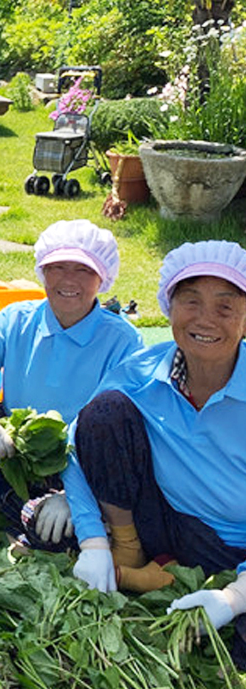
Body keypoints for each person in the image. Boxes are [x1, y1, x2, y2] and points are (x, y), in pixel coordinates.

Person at [0, 219, 143, 544]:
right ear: (42, 272)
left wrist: (74, 495)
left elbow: (117, 433)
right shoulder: (16, 319)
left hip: (79, 462)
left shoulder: (123, 341)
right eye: (57, 267)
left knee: (56, 530)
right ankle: (14, 510)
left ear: (103, 279)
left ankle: (21, 514)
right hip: (11, 446)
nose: (69, 280)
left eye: (84, 271)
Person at [70, 241, 246, 614]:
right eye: (191, 301)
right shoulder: (143, 370)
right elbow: (76, 438)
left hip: (235, 545)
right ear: (169, 308)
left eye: (225, 306)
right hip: (162, 517)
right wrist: (93, 540)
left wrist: (234, 598)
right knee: (103, 413)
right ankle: (129, 551)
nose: (205, 319)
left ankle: (171, 574)